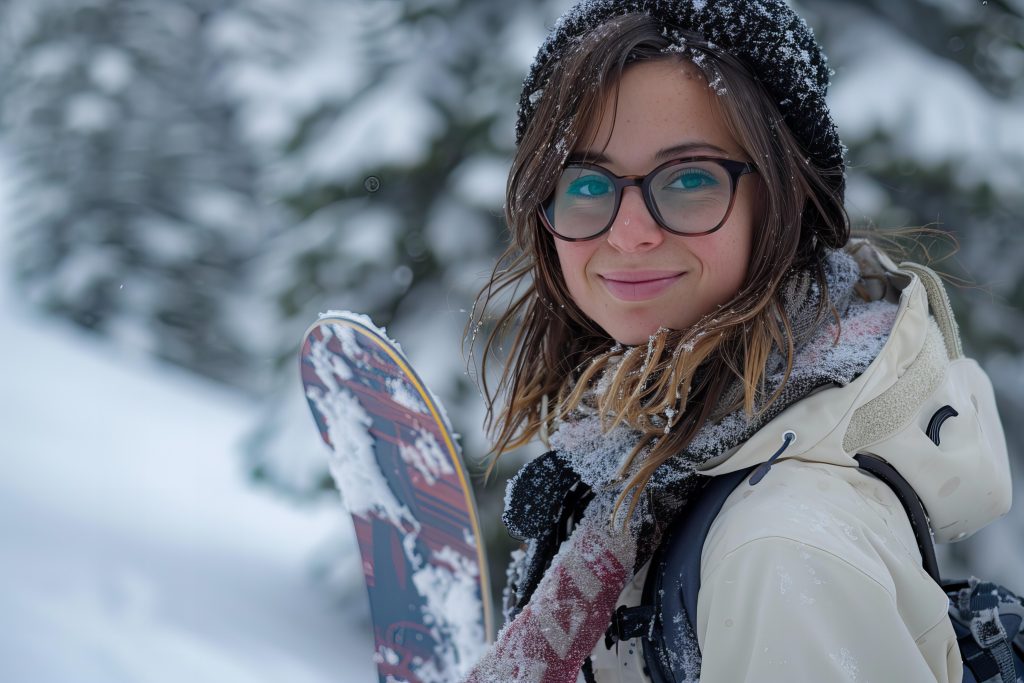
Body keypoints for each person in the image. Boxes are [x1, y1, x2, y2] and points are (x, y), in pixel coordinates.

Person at [463, 1, 1012, 681]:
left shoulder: (784, 548)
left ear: (786, 199)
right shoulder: (659, 466)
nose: (629, 231)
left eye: (690, 179)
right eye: (586, 182)